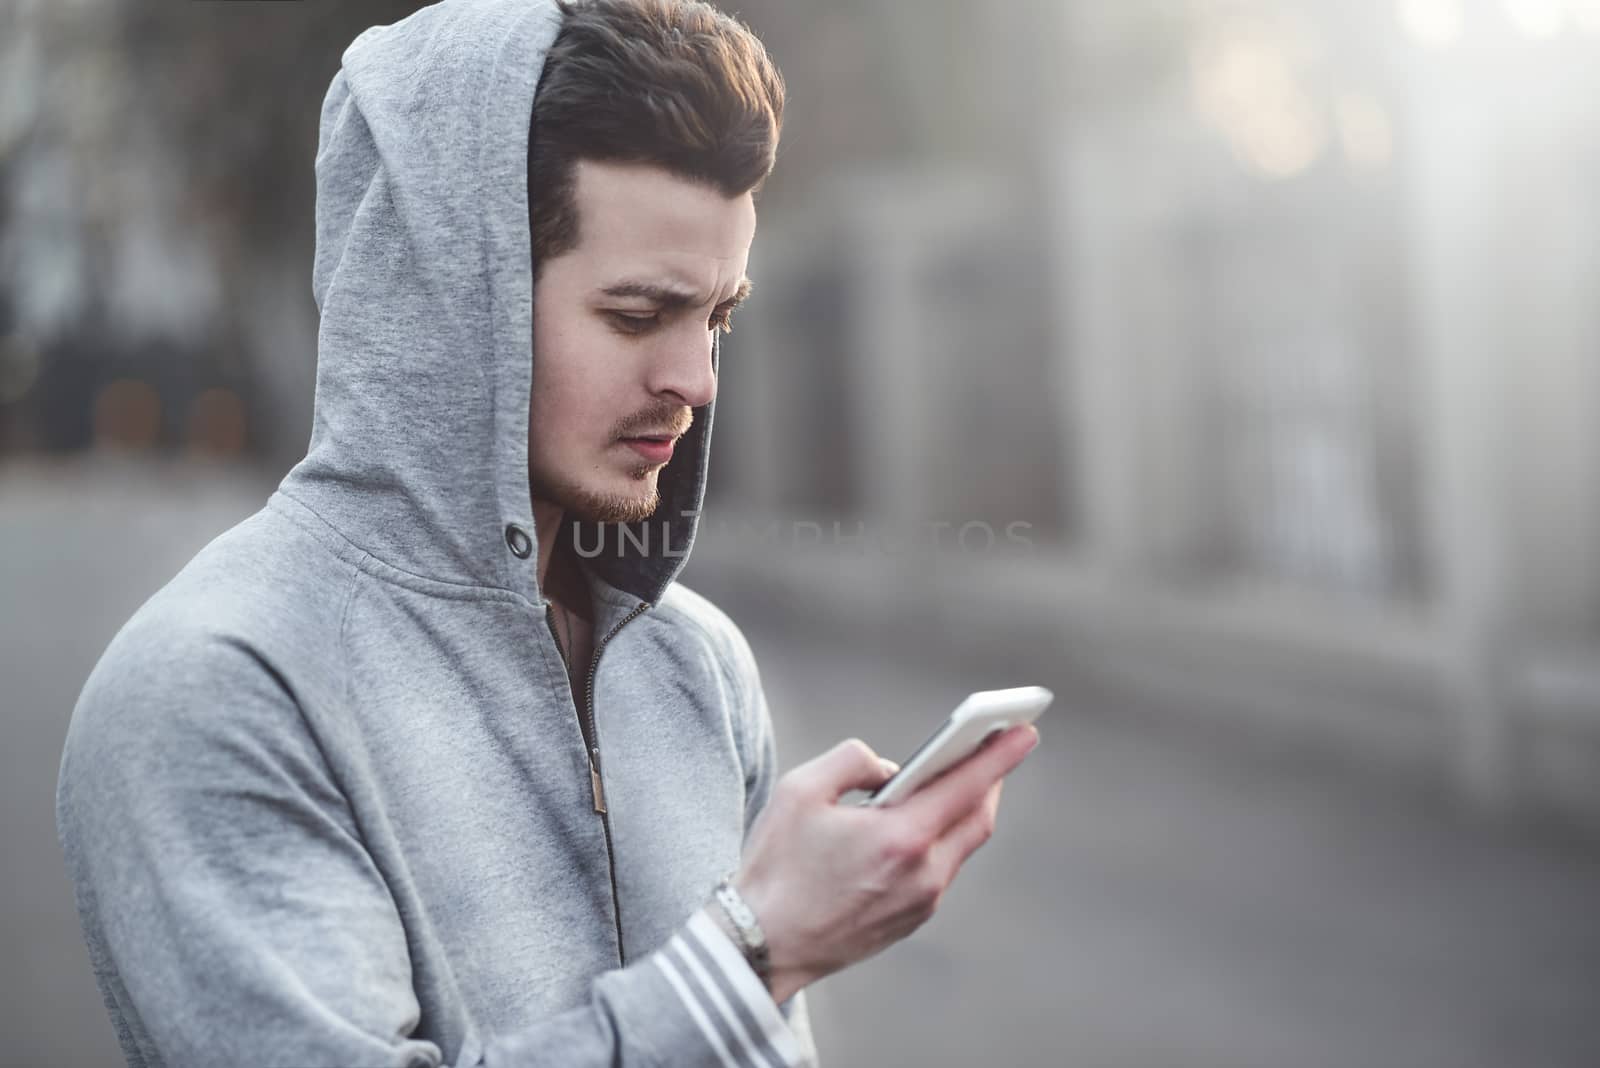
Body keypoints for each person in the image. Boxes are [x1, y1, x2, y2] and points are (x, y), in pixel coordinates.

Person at [54, 1, 1039, 1065]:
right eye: (636, 316)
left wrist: (759, 966)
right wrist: (750, 957)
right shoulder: (217, 686)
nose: (696, 381)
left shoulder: (697, 664)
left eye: (716, 317)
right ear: (448, 301)